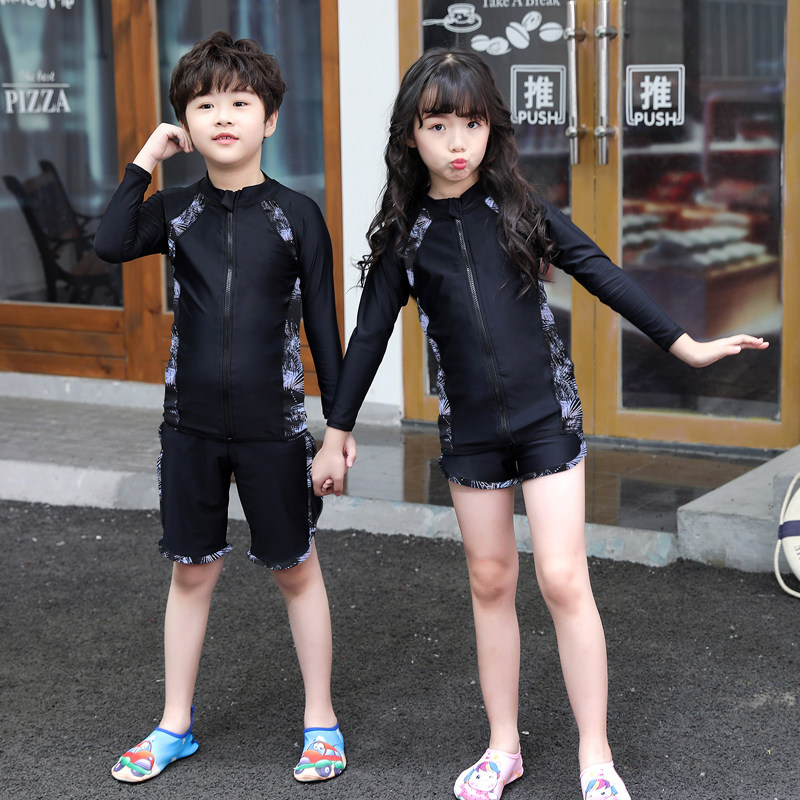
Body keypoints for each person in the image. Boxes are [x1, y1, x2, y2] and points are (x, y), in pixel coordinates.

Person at [311, 48, 768, 800]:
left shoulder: (519, 208)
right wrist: (337, 429)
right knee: (491, 580)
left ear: (492, 127)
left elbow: (600, 271)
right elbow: (368, 336)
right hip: (470, 431)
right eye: (437, 126)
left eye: (472, 123)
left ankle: (596, 756)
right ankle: (503, 748)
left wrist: (683, 344)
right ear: (410, 135)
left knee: (561, 576)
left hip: (544, 417)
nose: (457, 142)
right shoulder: (404, 235)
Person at [94, 31, 354, 784]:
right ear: (186, 123)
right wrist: (148, 156)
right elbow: (110, 241)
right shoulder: (175, 210)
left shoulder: (297, 214)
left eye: (240, 103)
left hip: (276, 428)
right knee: (191, 574)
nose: (223, 117)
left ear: (269, 119)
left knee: (296, 570)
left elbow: (326, 331)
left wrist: (336, 432)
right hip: (191, 428)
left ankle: (321, 721)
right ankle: (174, 725)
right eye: (205, 106)